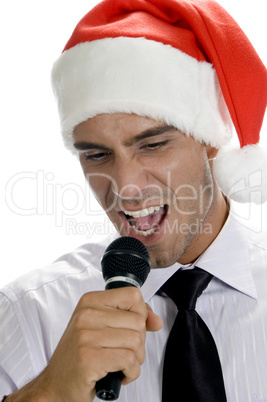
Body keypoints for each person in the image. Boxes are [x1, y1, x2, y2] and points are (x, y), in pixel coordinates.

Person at [0, 0, 267, 401]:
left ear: (210, 141)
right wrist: (51, 391)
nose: (124, 187)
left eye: (153, 144)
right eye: (96, 154)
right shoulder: (28, 313)